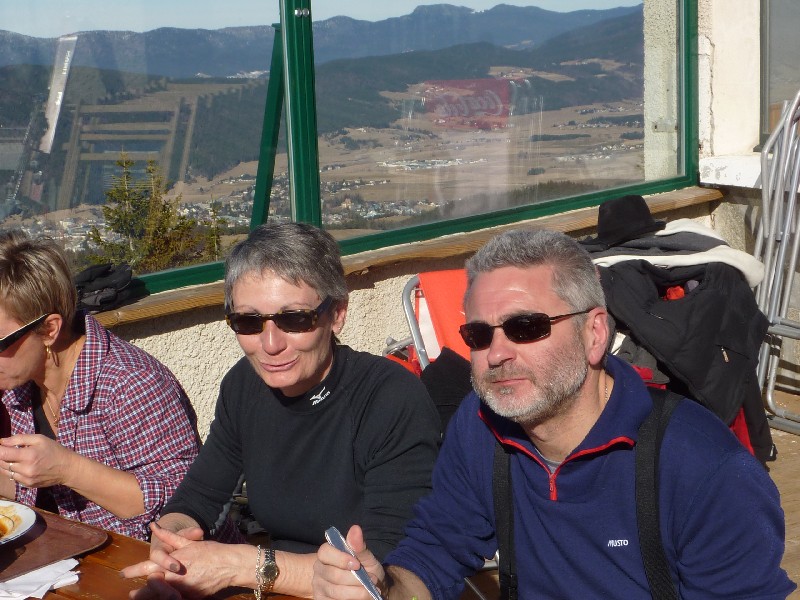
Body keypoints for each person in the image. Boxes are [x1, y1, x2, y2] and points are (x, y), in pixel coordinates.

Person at [313, 228, 795, 599]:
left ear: (594, 334)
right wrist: (383, 587)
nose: (496, 354)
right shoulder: (481, 425)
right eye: (478, 335)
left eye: (526, 328)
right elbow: (437, 549)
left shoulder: (704, 470)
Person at [123, 222, 440, 599]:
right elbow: (198, 497)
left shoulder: (390, 397)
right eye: (248, 322)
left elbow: (384, 569)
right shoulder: (245, 385)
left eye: (295, 319)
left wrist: (242, 565)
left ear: (337, 314)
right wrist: (171, 541)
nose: (270, 344)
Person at [0, 230, 200, 541]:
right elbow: (30, 489)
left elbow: (185, 502)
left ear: (49, 329)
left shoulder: (131, 382)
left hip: (162, 562)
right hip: (73, 554)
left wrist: (67, 468)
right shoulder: (20, 383)